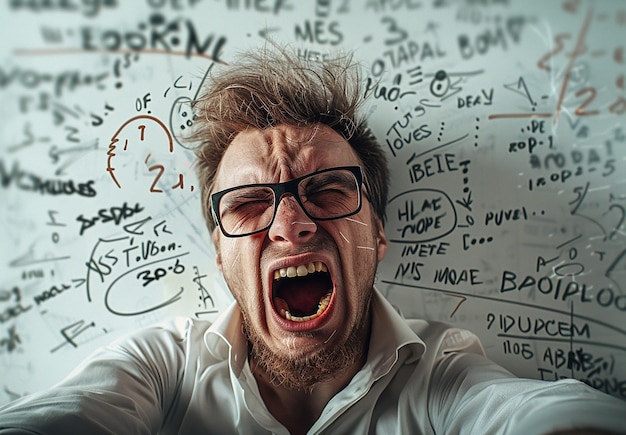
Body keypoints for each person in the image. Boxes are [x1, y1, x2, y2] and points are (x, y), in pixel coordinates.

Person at [0, 45, 624, 435]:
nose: (291, 225)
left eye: (327, 191)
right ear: (220, 252)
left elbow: (534, 415)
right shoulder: (163, 370)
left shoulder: (440, 375)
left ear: (377, 233)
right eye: (247, 204)